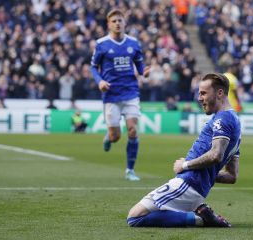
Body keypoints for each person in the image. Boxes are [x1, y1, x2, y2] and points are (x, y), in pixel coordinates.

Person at [127, 73, 241, 227]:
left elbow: (216, 155)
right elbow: (231, 176)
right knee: (148, 213)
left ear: (220, 93)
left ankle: (202, 219)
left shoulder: (223, 119)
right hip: (196, 188)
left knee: (135, 217)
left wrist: (185, 165)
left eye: (203, 93)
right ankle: (200, 213)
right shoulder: (235, 123)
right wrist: (207, 176)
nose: (199, 98)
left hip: (188, 183)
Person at [90, 9, 149, 181]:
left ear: (125, 23)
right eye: (114, 21)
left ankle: (130, 170)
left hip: (131, 92)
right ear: (109, 24)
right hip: (111, 95)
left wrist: (144, 72)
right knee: (116, 137)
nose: (117, 23)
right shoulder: (101, 44)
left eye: (120, 20)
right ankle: (109, 137)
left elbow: (139, 66)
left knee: (132, 130)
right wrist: (99, 81)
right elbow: (93, 67)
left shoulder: (134, 43)